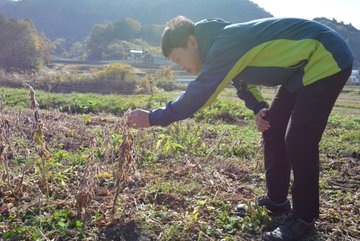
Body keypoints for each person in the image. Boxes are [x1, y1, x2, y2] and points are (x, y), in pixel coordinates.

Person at [127, 16, 353, 241]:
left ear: (192, 41)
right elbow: (241, 81)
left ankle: (304, 219)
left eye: (178, 58)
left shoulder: (223, 43)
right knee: (272, 127)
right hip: (301, 68)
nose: (182, 67)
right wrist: (258, 107)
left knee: (298, 139)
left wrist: (154, 118)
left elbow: (200, 94)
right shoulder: (220, 44)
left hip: (326, 54)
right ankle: (277, 201)